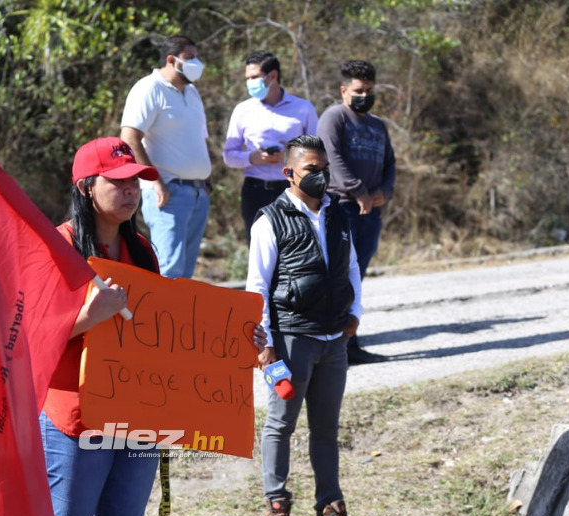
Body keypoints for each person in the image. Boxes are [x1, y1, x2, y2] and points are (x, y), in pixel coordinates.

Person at [36, 137, 267, 516]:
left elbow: (169, 337)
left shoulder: (143, 251)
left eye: (134, 180)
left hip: (136, 421)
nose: (129, 190)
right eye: (116, 181)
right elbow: (31, 340)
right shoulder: (58, 245)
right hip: (75, 423)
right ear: (85, 187)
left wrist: (240, 342)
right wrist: (94, 316)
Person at [246, 134, 371, 516]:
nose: (320, 176)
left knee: (326, 429)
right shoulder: (270, 220)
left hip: (334, 339)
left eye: (324, 169)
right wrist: (263, 344)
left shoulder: (338, 214)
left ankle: (331, 510)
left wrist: (355, 316)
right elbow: (257, 286)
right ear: (289, 173)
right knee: (279, 426)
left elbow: (351, 265)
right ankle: (276, 504)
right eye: (310, 170)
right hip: (289, 340)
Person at [316, 59, 396, 365]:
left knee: (356, 279)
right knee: (339, 276)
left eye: (370, 89)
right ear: (344, 90)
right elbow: (331, 158)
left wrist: (382, 193)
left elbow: (390, 164)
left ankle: (350, 343)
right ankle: (333, 346)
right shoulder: (334, 117)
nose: (365, 95)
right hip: (342, 207)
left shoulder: (378, 125)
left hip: (370, 213)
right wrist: (359, 192)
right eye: (359, 90)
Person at [120, 35, 212, 280]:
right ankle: (156, 319)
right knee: (168, 272)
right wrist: (156, 182)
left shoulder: (192, 92)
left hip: (196, 193)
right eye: (190, 57)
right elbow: (129, 138)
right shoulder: (149, 88)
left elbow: (197, 140)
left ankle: (180, 320)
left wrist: (204, 181)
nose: (197, 62)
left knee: (185, 277)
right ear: (171, 60)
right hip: (168, 193)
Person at [222, 50, 319, 240]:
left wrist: (291, 157)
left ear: (273, 76)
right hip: (255, 192)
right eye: (247, 78)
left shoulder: (303, 108)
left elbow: (318, 153)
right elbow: (228, 155)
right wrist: (251, 157)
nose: (250, 82)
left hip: (293, 190)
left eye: (254, 77)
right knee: (260, 252)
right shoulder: (242, 110)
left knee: (295, 251)